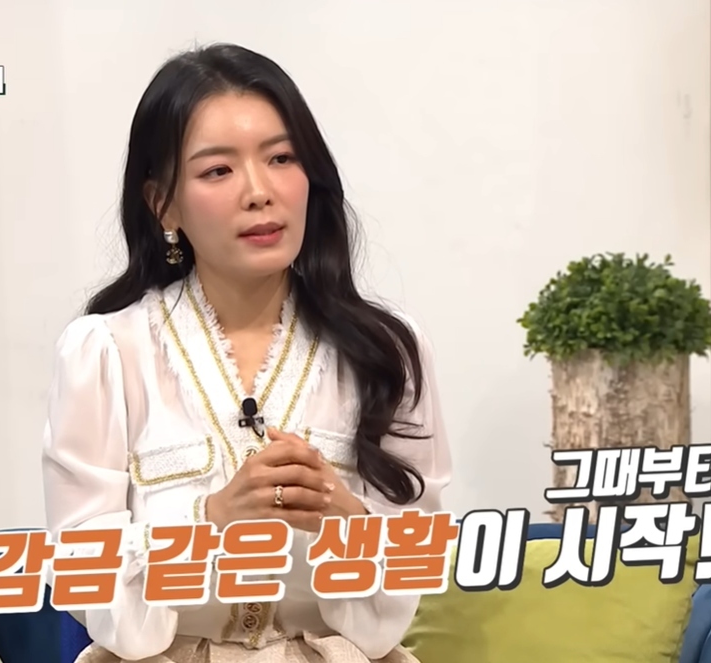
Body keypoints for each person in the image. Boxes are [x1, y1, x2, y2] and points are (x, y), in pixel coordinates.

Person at [42, 42, 452, 663]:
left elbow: (402, 591)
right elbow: (86, 579)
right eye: (218, 171)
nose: (260, 192)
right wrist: (210, 521)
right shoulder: (105, 354)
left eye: (281, 158)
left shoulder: (388, 353)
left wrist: (343, 518)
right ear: (163, 204)